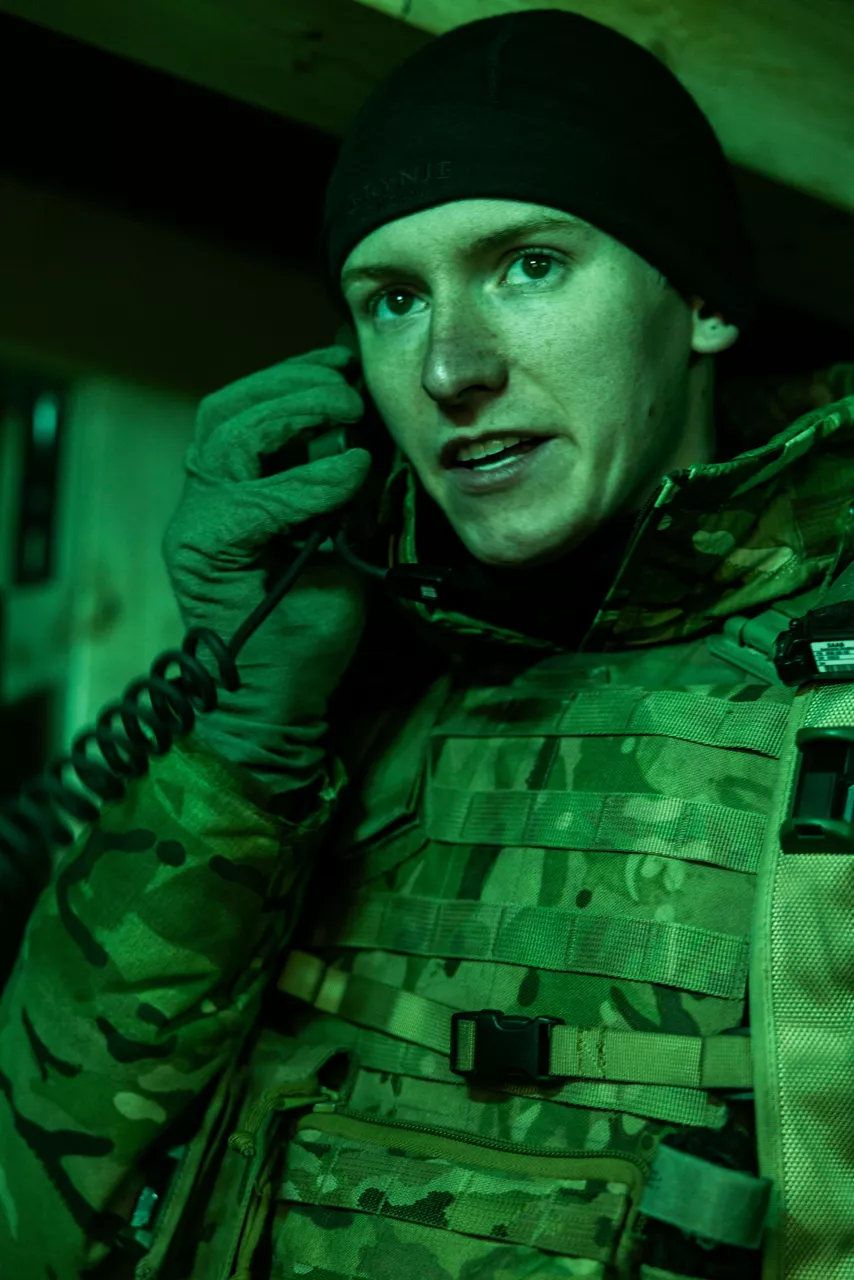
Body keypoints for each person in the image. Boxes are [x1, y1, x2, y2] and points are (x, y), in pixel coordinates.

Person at [1, 9, 853, 1278]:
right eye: (392, 298)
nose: (450, 365)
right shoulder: (337, 675)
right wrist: (245, 735)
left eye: (527, 265)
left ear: (696, 301)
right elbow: (35, 1203)